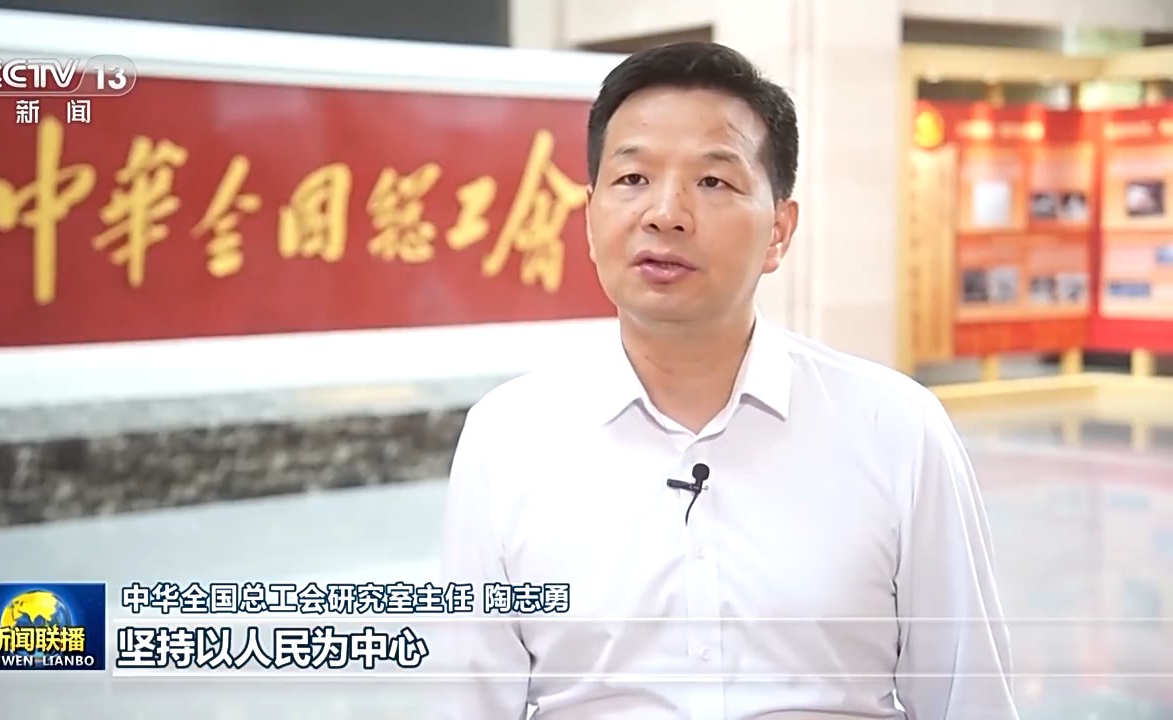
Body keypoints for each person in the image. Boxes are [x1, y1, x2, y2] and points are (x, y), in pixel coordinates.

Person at [436, 41, 1018, 719]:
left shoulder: (896, 429)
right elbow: (468, 699)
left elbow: (968, 697)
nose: (665, 213)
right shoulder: (507, 437)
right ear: (590, 220)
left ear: (779, 231)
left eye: (713, 182)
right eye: (633, 178)